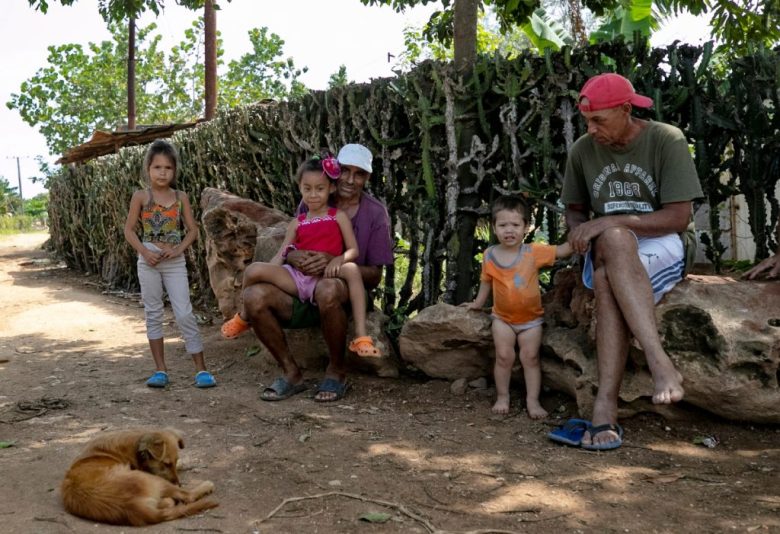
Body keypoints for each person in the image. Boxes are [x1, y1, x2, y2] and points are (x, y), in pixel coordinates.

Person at [551, 73, 703, 450]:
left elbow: (678, 218)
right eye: (587, 121)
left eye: (599, 119)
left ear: (625, 109)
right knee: (615, 242)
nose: (591, 129)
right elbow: (574, 211)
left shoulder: (666, 139)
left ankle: (605, 405)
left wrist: (610, 221)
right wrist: (579, 230)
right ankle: (659, 363)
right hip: (606, 246)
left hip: (662, 241)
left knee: (606, 278)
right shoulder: (583, 151)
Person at [240, 144, 393, 402]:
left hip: (346, 290)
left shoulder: (375, 213)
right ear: (334, 173)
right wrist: (293, 255)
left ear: (367, 178)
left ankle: (336, 371)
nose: (350, 180)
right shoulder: (314, 196)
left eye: (359, 174)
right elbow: (293, 241)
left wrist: (333, 265)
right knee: (254, 296)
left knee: (328, 288)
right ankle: (291, 373)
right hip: (303, 284)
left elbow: (375, 276)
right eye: (345, 171)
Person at [220, 153, 381, 359]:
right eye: (307, 189)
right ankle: (244, 316)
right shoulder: (298, 222)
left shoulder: (337, 216)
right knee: (253, 269)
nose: (313, 195)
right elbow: (283, 253)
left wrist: (338, 259)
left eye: (320, 189)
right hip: (298, 280)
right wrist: (272, 271)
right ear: (300, 188)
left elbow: (353, 251)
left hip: (326, 276)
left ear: (331, 188)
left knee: (351, 269)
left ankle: (361, 336)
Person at [464, 195, 572, 419]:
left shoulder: (533, 252)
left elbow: (562, 251)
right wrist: (477, 303)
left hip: (531, 321)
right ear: (494, 227)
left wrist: (583, 233)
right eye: (503, 225)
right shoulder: (490, 255)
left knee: (530, 358)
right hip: (502, 319)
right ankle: (502, 397)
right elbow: (486, 281)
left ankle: (533, 400)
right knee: (504, 357)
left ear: (526, 227)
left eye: (515, 225)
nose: (509, 230)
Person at [123, 139, 216, 388]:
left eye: (167, 168)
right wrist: (145, 252)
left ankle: (201, 369)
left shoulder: (180, 197)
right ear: (148, 169)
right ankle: (160, 370)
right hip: (148, 261)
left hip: (174, 262)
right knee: (153, 313)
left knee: (184, 312)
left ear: (174, 170)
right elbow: (129, 230)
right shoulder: (141, 197)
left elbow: (193, 230)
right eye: (157, 167)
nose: (162, 172)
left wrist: (178, 250)